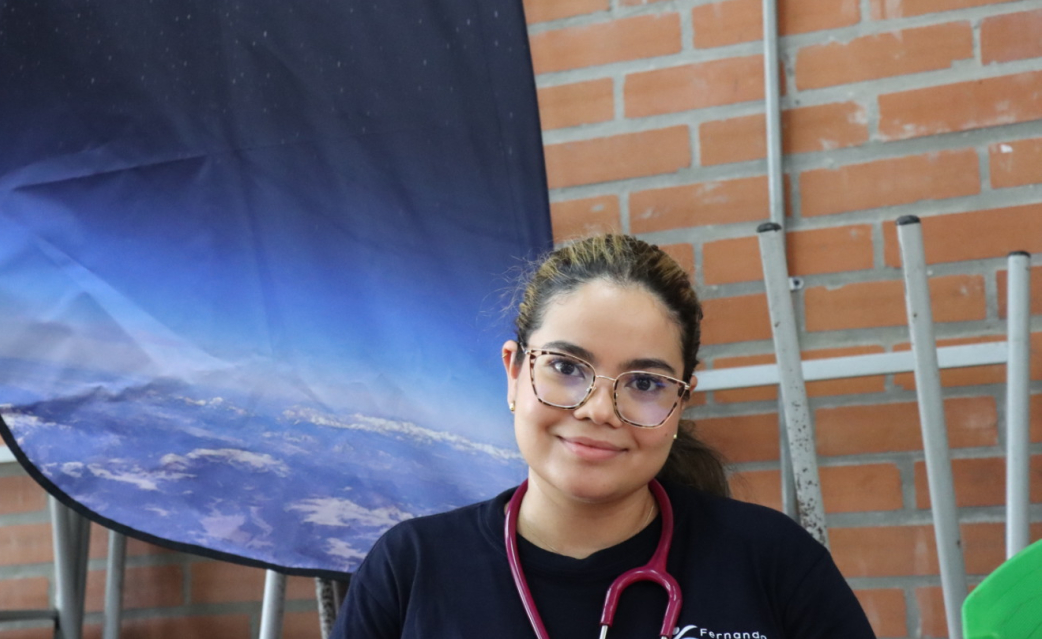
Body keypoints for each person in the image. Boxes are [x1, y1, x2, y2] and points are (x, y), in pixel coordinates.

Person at [330, 234, 877, 639]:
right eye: (567, 367)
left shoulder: (771, 560)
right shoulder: (411, 567)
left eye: (643, 382)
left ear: (682, 399)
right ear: (514, 373)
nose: (598, 410)